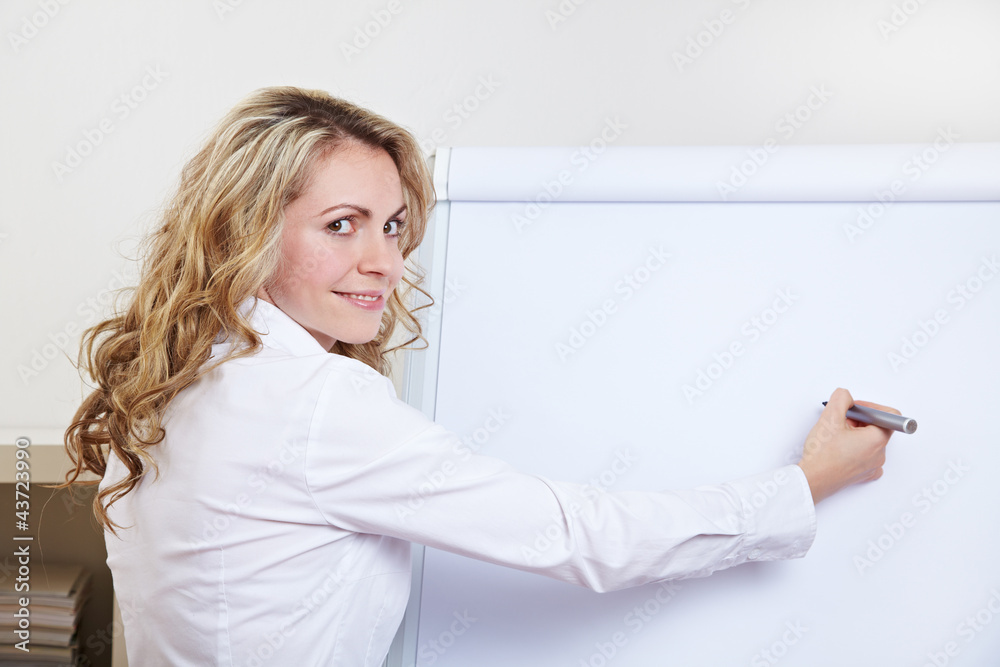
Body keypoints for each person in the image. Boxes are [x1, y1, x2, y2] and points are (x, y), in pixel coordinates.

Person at [61, 86, 897, 666]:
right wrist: (806, 483)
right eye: (342, 224)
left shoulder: (169, 380)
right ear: (245, 231)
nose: (384, 262)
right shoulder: (313, 400)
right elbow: (581, 536)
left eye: (393, 226)